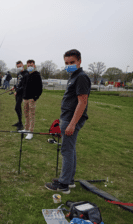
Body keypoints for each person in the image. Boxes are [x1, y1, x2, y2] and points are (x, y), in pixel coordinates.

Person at [45, 49, 91, 194]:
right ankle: (69, 180)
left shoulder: (81, 77)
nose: (69, 65)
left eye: (72, 62)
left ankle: (63, 184)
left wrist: (72, 123)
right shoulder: (73, 76)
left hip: (71, 119)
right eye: (66, 63)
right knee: (70, 149)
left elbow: (82, 102)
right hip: (66, 117)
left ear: (79, 61)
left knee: (66, 150)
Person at [19, 60, 43, 140]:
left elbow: (40, 88)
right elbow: (23, 86)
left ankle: (30, 132)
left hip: (32, 99)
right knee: (26, 114)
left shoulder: (37, 75)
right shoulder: (26, 75)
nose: (30, 66)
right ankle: (26, 129)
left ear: (34, 66)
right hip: (25, 98)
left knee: (31, 115)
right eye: (28, 65)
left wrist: (35, 97)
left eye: (31, 65)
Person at [11, 61, 28, 130]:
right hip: (17, 92)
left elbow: (24, 85)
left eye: (19, 66)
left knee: (17, 108)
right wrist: (14, 87)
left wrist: (17, 91)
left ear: (23, 65)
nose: (18, 68)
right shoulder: (18, 73)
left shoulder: (26, 74)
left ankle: (21, 124)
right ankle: (19, 122)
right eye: (17, 67)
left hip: (22, 93)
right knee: (19, 108)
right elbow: (18, 83)